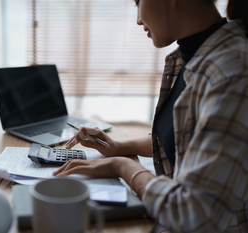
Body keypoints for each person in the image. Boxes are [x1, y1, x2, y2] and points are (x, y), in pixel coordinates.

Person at [53, 0, 248, 232]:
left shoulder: (231, 73)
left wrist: (122, 167)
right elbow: (189, 137)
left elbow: (193, 214)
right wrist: (118, 147)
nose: (138, 19)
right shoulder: (190, 57)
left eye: (138, 2)